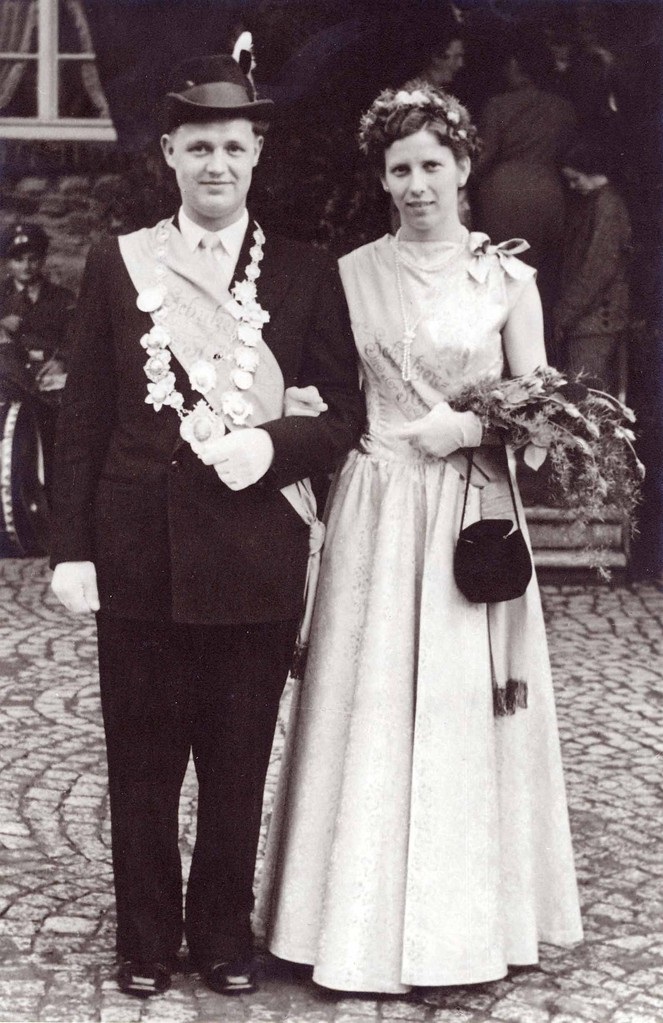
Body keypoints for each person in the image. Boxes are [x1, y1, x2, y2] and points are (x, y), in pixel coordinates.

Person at [49, 53, 364, 999]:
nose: (216, 164)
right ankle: (146, 939)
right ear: (169, 155)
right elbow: (84, 416)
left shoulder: (306, 270)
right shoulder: (120, 262)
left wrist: (270, 445)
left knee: (235, 763)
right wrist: (71, 549)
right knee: (141, 763)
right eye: (198, 148)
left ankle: (224, 934)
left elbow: (342, 415)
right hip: (139, 552)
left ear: (256, 154)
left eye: (232, 146)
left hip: (253, 552)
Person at [256, 81, 583, 994]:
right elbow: (327, 389)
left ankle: (458, 933)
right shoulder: (351, 273)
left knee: (457, 706)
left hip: (469, 507)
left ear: (464, 166)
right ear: (381, 177)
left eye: (432, 164)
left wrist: (472, 427)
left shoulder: (506, 280)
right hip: (377, 504)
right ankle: (339, 925)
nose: (416, 184)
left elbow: (546, 404)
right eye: (398, 168)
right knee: (362, 700)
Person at [472, 34, 577, 352]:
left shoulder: (497, 105)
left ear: (517, 65)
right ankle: (539, 352)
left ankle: (501, 352)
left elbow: (484, 157)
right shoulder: (563, 108)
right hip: (549, 194)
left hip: (504, 195)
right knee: (541, 277)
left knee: (499, 273)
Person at [0, 223, 74, 498]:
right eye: (19, 260)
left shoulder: (61, 297)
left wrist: (63, 360)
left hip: (50, 377)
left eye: (33, 259)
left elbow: (77, 335)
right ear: (8, 263)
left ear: (42, 260)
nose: (27, 266)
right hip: (10, 380)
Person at [553, 138, 631, 396]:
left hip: (596, 320)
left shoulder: (608, 207)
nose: (572, 186)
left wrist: (564, 313)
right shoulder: (597, 203)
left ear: (593, 170)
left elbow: (596, 270)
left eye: (576, 179)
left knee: (586, 397)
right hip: (588, 319)